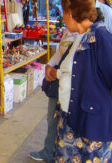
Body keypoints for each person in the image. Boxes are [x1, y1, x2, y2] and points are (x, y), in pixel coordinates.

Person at [50, 0, 112, 162]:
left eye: (64, 13)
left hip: (92, 125)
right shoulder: (81, 36)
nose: (63, 18)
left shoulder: (101, 38)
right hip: (72, 119)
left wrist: (111, 113)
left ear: (70, 13)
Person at [30, 28, 77, 163]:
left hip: (68, 86)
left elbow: (75, 67)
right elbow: (60, 52)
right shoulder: (69, 31)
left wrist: (57, 73)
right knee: (52, 119)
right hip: (58, 82)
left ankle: (55, 152)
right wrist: (49, 65)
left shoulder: (83, 35)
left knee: (63, 122)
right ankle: (50, 151)